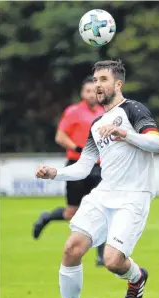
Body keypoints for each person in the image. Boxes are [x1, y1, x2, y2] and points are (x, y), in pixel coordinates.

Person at [35, 60, 159, 298]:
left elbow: (155, 144)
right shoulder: (96, 123)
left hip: (133, 196)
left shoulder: (133, 109)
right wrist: (54, 173)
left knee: (112, 261)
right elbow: (84, 166)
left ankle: (137, 276)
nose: (98, 85)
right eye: (95, 80)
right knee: (71, 249)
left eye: (103, 79)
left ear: (118, 84)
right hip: (103, 194)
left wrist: (124, 133)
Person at [32, 76, 106, 266]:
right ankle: (47, 218)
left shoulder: (103, 112)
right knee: (71, 212)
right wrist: (78, 148)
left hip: (98, 167)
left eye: (95, 91)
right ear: (82, 93)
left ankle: (101, 255)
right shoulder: (73, 112)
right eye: (88, 91)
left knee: (102, 209)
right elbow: (60, 136)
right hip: (76, 164)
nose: (92, 94)